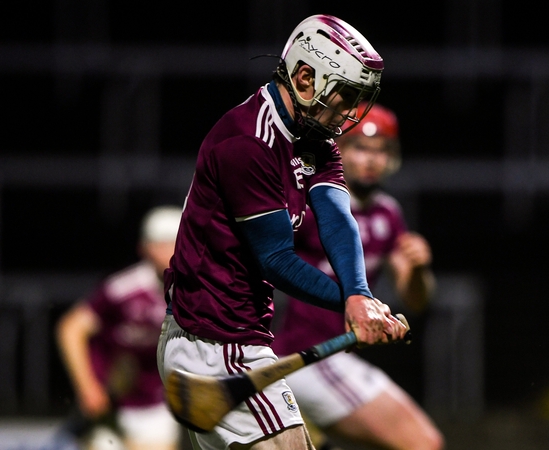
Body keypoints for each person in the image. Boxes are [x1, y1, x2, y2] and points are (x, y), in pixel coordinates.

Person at [156, 14, 408, 450]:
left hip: (237, 339)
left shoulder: (315, 137)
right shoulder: (247, 144)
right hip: (214, 343)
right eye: (345, 96)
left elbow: (335, 218)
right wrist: (349, 303)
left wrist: (360, 294)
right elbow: (275, 259)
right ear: (305, 77)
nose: (350, 113)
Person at [271, 102, 444, 450]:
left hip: (340, 356)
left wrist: (420, 268)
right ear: (339, 150)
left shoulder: (387, 212)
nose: (370, 160)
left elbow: (416, 299)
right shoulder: (308, 201)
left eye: (380, 151)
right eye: (360, 148)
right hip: (305, 356)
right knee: (423, 443)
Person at [56, 205, 184, 450]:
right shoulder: (122, 289)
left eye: (173, 242)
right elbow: (71, 328)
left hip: (155, 401)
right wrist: (88, 387)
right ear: (143, 248)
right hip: (107, 400)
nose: (167, 252)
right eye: (159, 244)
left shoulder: (196, 293)